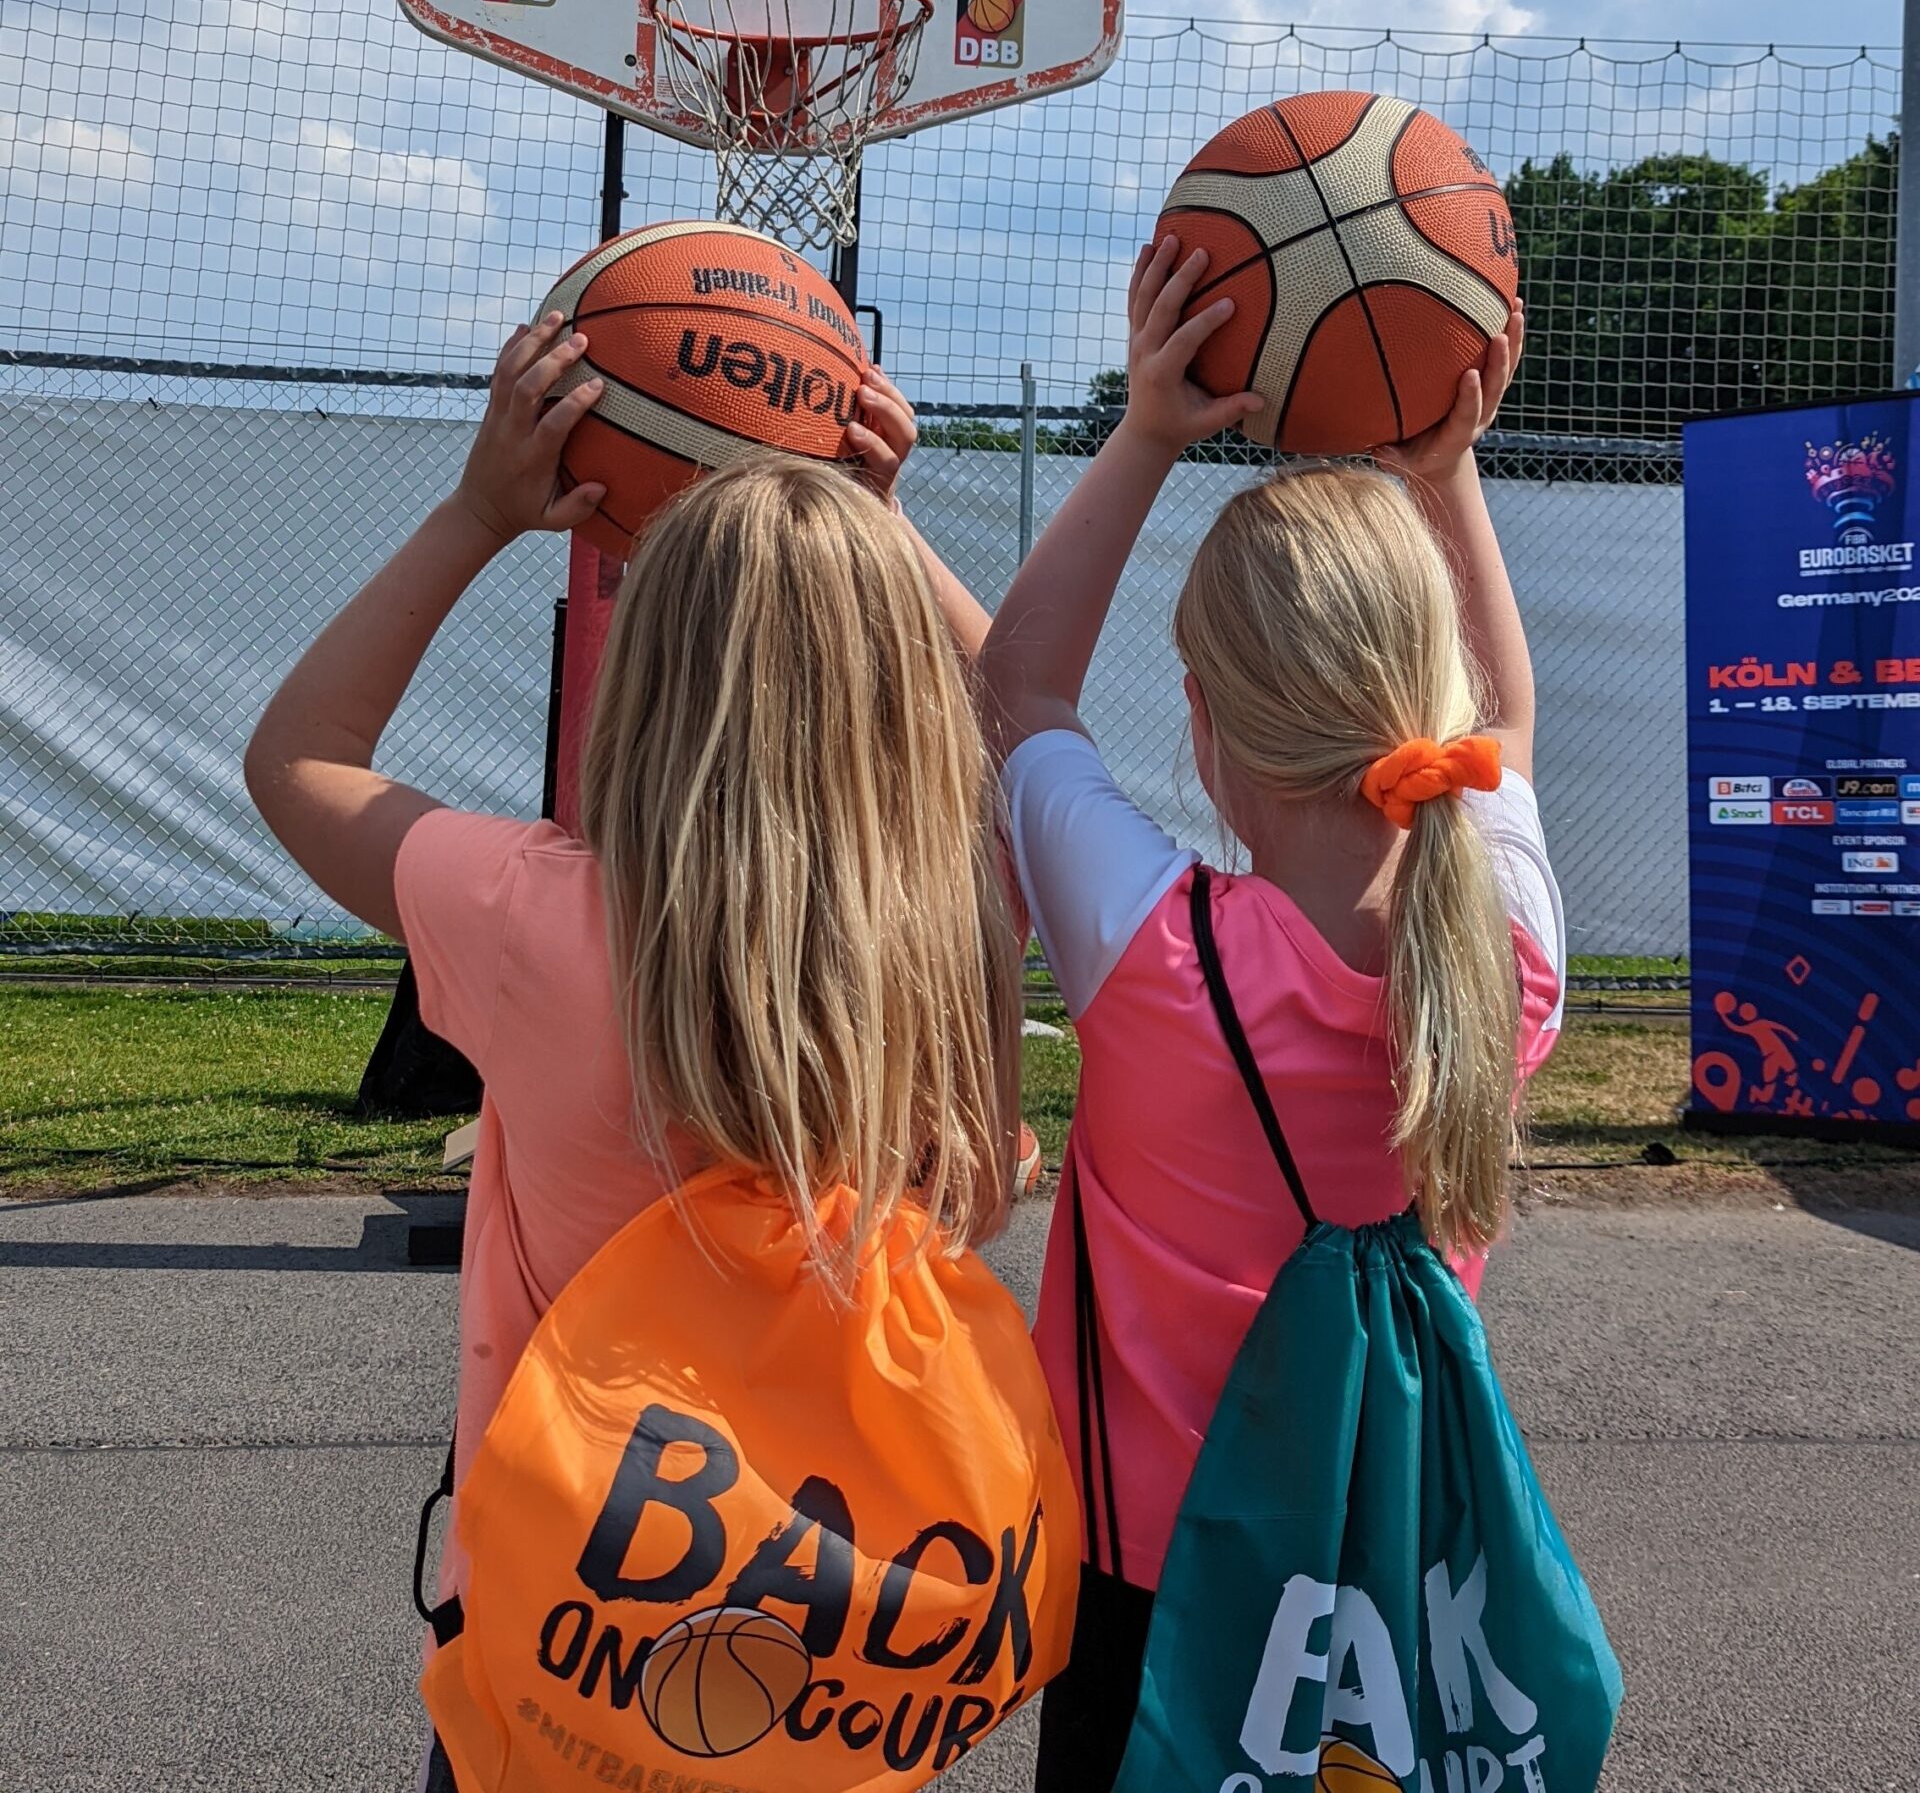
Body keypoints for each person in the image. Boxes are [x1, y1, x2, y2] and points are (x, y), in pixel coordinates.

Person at [242, 315, 1026, 1780]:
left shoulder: (538, 920)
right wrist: (881, 527)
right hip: (835, 1650)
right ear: (907, 692)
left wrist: (481, 513)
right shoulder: (956, 934)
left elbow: (296, 759)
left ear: (645, 678)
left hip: (565, 1630)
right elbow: (1032, 720)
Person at [977, 239, 1566, 1792]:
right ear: (1428, 711)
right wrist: (1452, 478)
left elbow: (1016, 695)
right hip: (1390, 1565)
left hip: (1154, 1586)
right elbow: (1506, 734)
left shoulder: (1151, 953)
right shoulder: (1507, 946)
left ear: (1205, 723)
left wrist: (1148, 431)